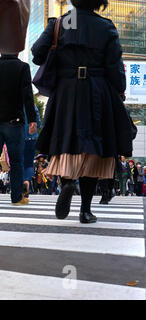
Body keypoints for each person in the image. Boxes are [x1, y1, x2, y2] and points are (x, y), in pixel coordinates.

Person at [33, 0, 135, 224]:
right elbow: (115, 69)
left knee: (64, 140)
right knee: (93, 149)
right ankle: (85, 211)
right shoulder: (105, 26)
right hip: (97, 91)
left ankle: (67, 182)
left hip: (66, 92)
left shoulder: (63, 21)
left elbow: (37, 53)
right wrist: (119, 90)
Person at [0, 53, 37, 208]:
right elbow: (27, 95)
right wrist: (32, 119)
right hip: (14, 120)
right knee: (16, 160)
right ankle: (17, 197)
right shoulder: (22, 67)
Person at [23, 105, 42, 198]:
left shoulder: (14, 102)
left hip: (19, 136)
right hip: (32, 137)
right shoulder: (33, 106)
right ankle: (27, 181)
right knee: (29, 164)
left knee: (18, 162)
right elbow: (38, 122)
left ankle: (19, 185)